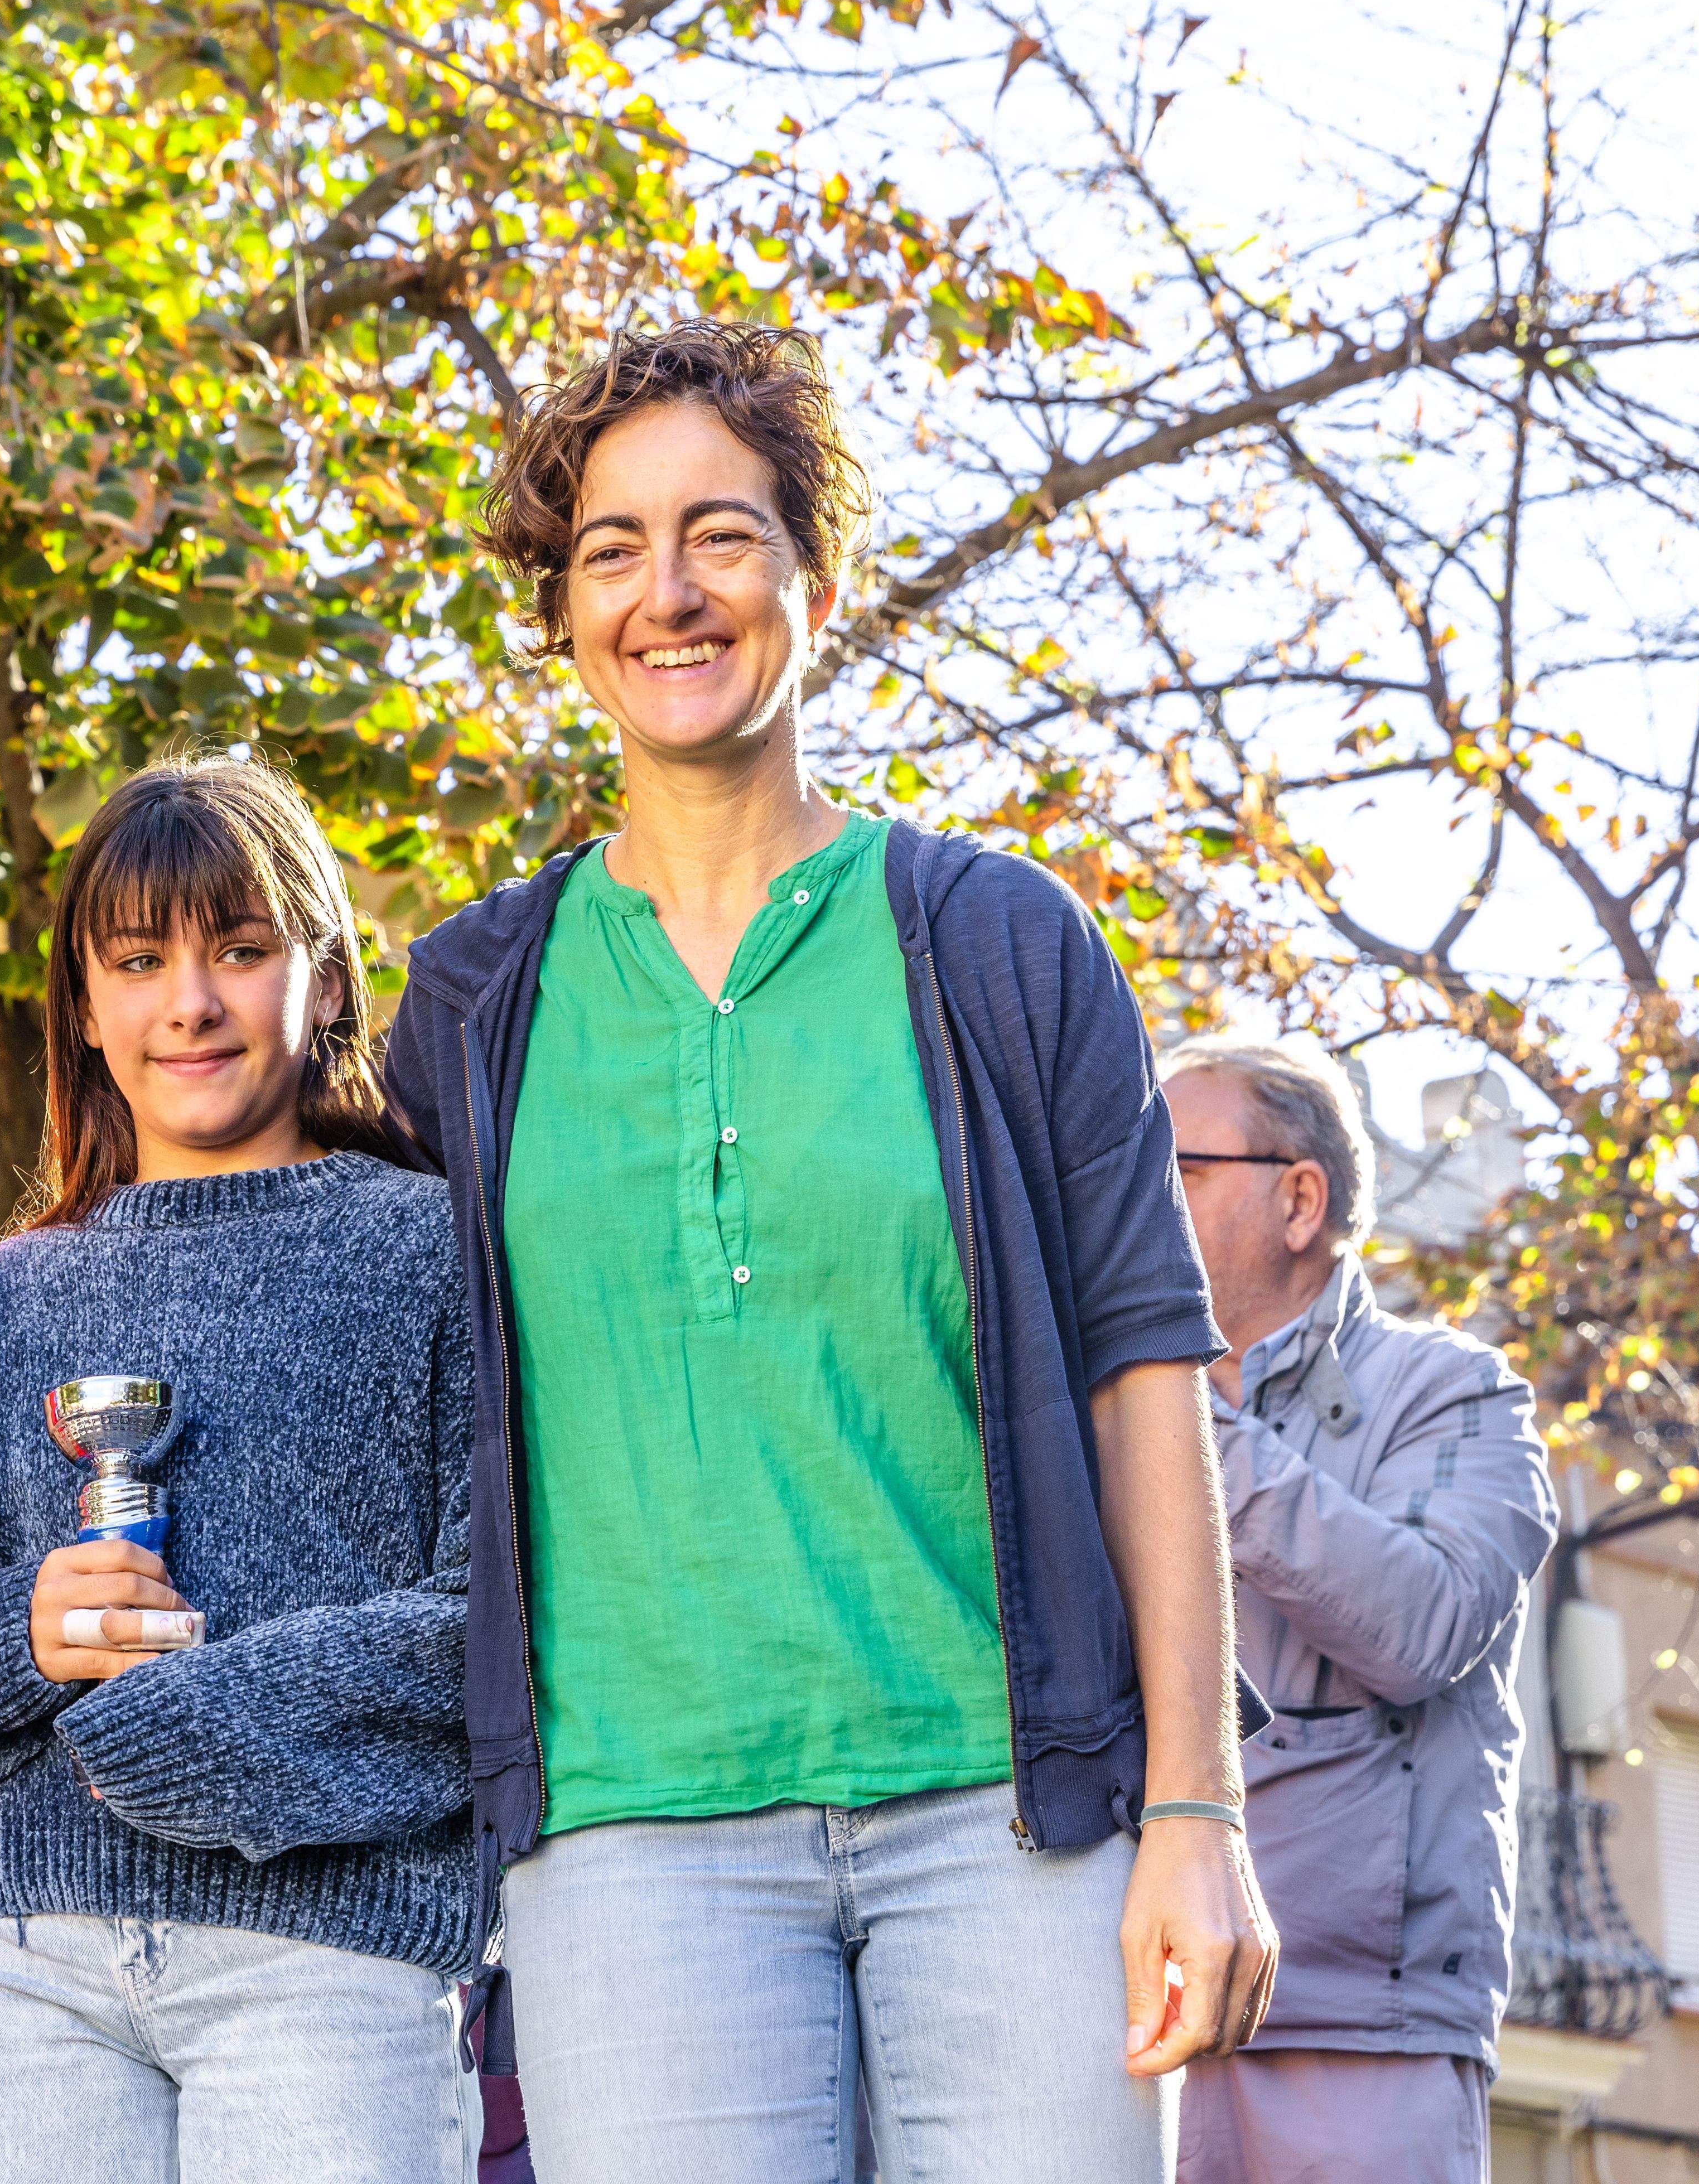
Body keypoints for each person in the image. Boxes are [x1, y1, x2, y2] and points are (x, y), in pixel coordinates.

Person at [379, 318, 1278, 2183]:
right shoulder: (474, 1002)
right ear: (561, 612)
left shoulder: (1000, 946)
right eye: (610, 551)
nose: (668, 593)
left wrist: (1196, 1811)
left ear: (818, 575)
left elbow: (1146, 1376)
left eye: (722, 533)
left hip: (1009, 1822)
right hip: (628, 1841)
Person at [0, 753, 486, 2184]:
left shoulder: (433, 1250)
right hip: (34, 1968)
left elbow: (493, 1624)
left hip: (330, 1951)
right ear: (87, 1010)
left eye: (241, 948)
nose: (189, 1002)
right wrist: (27, 1630)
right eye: (140, 961)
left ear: (327, 979)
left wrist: (191, 1720)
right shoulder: (4, 1291)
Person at [1160, 1035, 1555, 2184]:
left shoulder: (1461, 1394)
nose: (1131, 1193)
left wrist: (1175, 1422)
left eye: (1174, 1166)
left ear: (1300, 1197)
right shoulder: (1110, 1410)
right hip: (1139, 2013)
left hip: (1359, 2035)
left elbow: (1421, 1622)